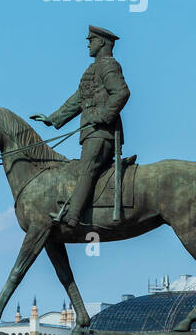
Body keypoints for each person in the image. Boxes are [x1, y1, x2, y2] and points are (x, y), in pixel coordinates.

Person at [31, 26, 130, 228]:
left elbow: (121, 92)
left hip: (102, 133)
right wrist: (53, 118)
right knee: (83, 170)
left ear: (101, 42)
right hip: (91, 132)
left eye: (91, 40)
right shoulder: (94, 69)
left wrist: (102, 116)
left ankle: (72, 217)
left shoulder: (108, 66)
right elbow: (78, 100)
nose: (88, 44)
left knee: (87, 170)